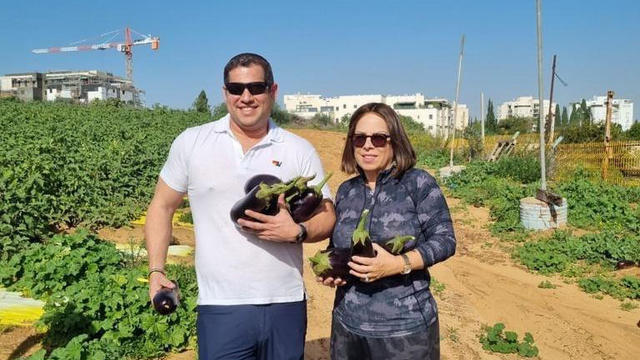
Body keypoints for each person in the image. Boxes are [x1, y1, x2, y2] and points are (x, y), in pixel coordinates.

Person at [145, 53, 336, 360]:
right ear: (225, 93)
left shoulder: (298, 149)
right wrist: (156, 270)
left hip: (284, 303)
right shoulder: (192, 142)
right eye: (236, 89)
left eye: (256, 88)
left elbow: (327, 215)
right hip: (220, 306)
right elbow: (161, 207)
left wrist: (298, 231)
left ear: (272, 92)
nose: (246, 97)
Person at [319, 102, 456, 360]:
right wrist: (332, 270)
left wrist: (398, 264)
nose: (368, 145)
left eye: (378, 138)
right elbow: (339, 248)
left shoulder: (417, 183)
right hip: (348, 326)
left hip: (404, 329)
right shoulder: (347, 191)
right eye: (359, 138)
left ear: (394, 142)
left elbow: (445, 240)